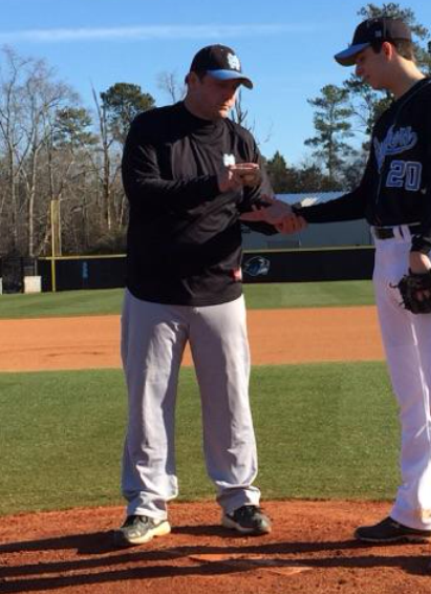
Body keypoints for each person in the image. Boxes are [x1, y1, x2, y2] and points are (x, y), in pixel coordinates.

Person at [243, 17, 431, 574]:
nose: (358, 71)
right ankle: (415, 511)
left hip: (429, 249)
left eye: (362, 60)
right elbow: (364, 197)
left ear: (387, 48)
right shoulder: (386, 117)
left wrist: (422, 244)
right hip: (387, 253)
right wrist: (295, 215)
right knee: (410, 395)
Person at [115, 44, 279, 547]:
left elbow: (256, 205)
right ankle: (148, 505)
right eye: (221, 83)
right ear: (192, 80)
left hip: (220, 289)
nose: (229, 93)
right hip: (154, 290)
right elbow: (142, 191)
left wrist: (279, 219)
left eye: (236, 85)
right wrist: (213, 183)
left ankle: (239, 499)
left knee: (231, 400)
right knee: (148, 401)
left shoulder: (240, 139)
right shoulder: (151, 128)